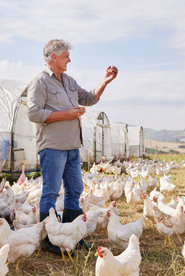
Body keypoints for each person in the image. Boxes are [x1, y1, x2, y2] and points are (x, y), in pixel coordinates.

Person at [27, 39, 118, 254]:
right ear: (53, 58)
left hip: (72, 146)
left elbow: (89, 98)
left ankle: (72, 235)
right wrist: (65, 115)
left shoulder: (68, 81)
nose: (70, 59)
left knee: (75, 189)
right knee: (50, 192)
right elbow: (33, 113)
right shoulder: (40, 82)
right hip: (52, 146)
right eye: (66, 56)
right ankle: (48, 238)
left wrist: (105, 81)